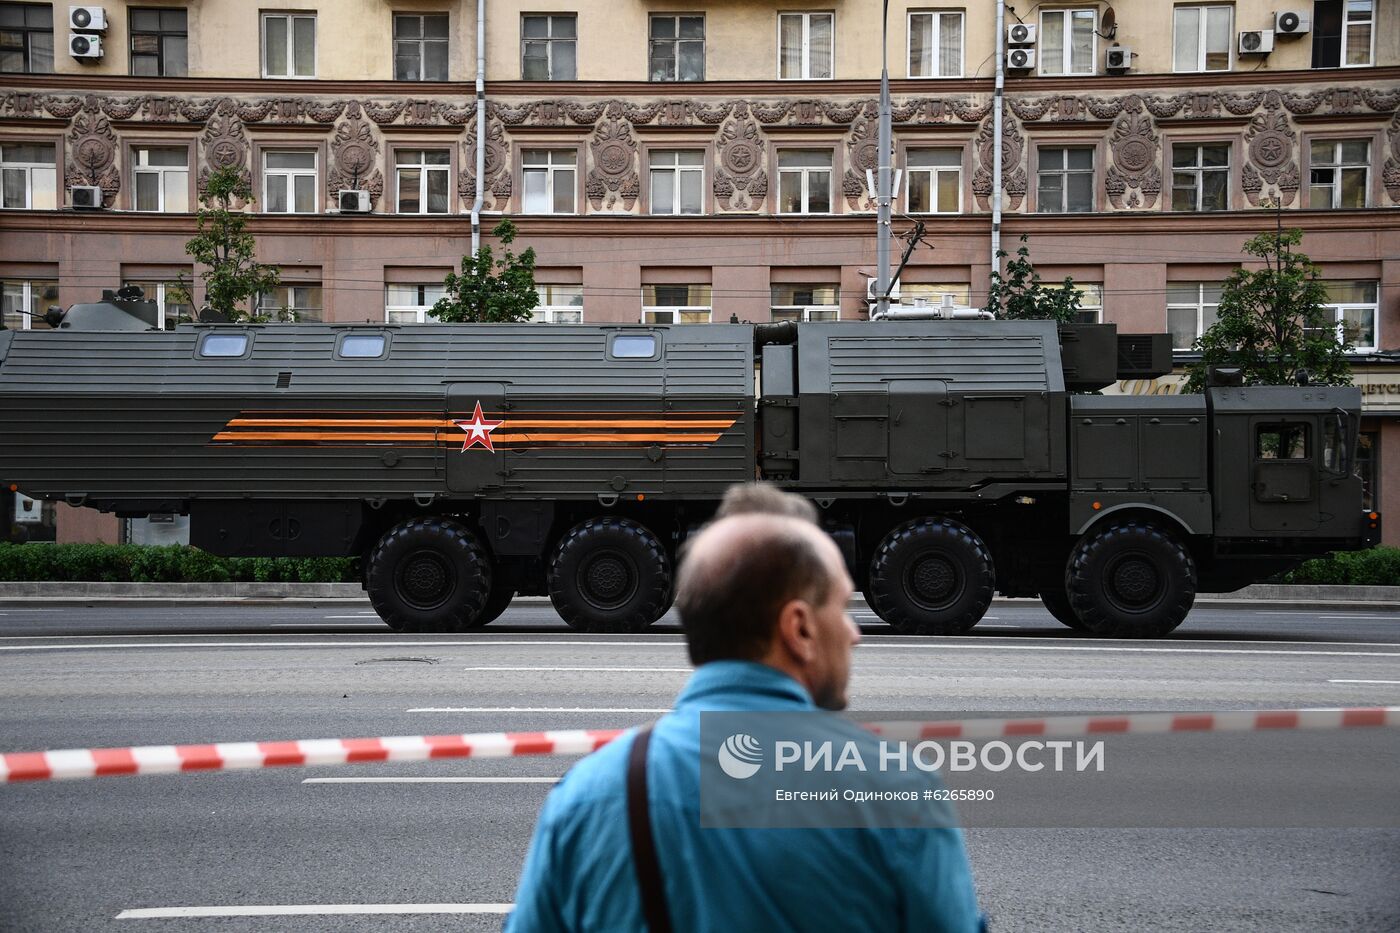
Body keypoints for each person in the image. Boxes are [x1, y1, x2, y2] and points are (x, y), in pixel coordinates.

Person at [507, 484, 983, 932]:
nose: (854, 632)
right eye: (840, 607)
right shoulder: (895, 791)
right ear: (798, 628)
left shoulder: (586, 798)